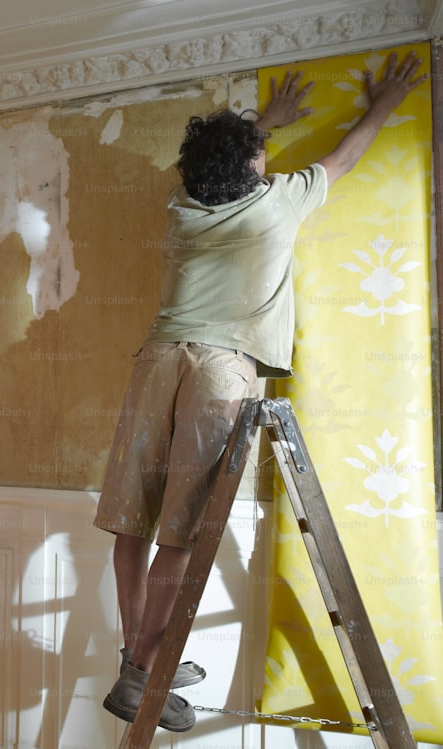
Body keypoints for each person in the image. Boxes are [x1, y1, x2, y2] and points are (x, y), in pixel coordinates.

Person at [94, 51, 427, 732]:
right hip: (221, 371)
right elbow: (347, 157)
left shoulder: (183, 204)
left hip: (157, 358)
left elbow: (215, 160)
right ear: (254, 167)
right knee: (181, 534)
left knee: (133, 521)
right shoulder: (278, 203)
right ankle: (145, 672)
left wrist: (260, 122)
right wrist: (386, 102)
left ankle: (136, 660)